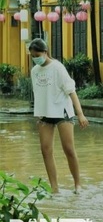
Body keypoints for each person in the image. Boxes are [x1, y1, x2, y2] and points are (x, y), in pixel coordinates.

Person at [28, 38, 89, 194]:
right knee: (45, 150)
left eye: (37, 54)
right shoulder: (34, 71)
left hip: (62, 112)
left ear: (45, 52)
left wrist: (80, 114)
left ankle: (77, 184)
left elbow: (71, 91)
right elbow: (38, 93)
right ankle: (54, 188)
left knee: (68, 149)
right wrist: (39, 115)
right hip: (45, 115)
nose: (35, 58)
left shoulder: (58, 67)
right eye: (32, 56)